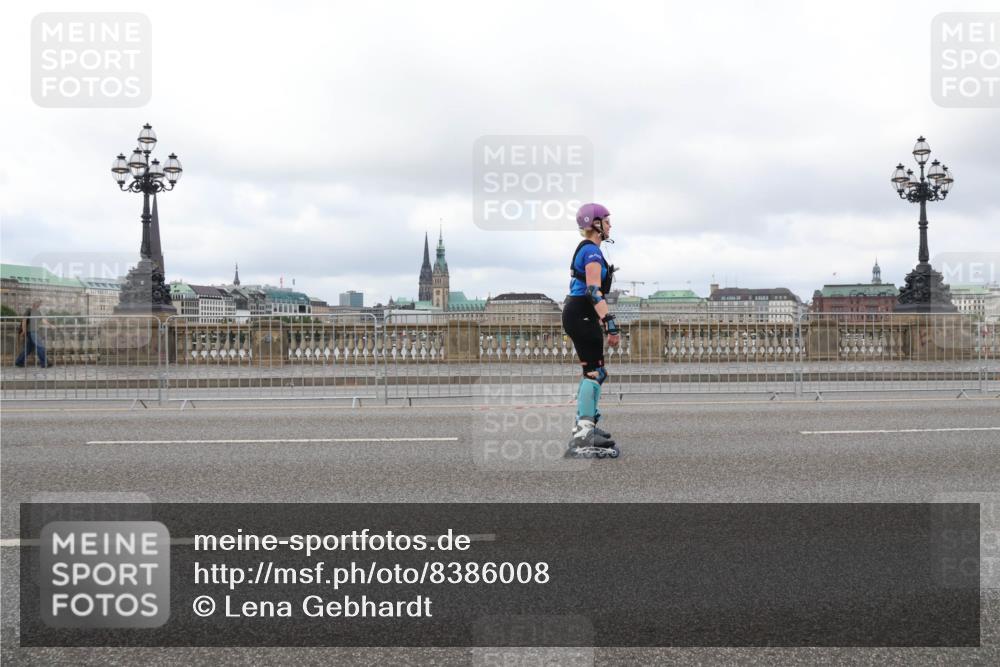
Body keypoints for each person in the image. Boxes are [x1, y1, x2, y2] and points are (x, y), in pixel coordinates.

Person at [563, 203, 620, 458]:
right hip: (582, 313)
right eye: (606, 221)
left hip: (581, 314)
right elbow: (593, 290)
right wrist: (610, 322)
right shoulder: (592, 253)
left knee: (596, 371)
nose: (610, 225)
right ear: (595, 224)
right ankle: (584, 432)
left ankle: (586, 426)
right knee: (594, 373)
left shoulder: (589, 250)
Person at [15, 299, 51, 368]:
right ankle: (44, 363)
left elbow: (43, 320)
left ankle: (19, 362)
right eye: (38, 303)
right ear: (34, 303)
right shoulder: (29, 310)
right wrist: (24, 331)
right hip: (31, 331)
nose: (40, 304)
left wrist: (50, 325)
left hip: (34, 331)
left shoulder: (38, 312)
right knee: (40, 347)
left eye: (40, 303)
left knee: (29, 348)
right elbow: (24, 320)